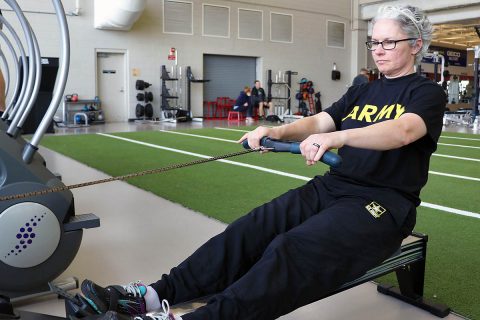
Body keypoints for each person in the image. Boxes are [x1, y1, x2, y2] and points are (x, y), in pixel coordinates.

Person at [78, 4, 445, 320]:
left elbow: (404, 131)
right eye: (374, 42)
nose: (378, 50)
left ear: (415, 45)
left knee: (293, 248)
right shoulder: (363, 88)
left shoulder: (426, 93)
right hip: (333, 186)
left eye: (388, 42)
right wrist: (278, 131)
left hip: (383, 203)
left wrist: (339, 137)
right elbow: (320, 121)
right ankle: (154, 295)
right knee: (249, 229)